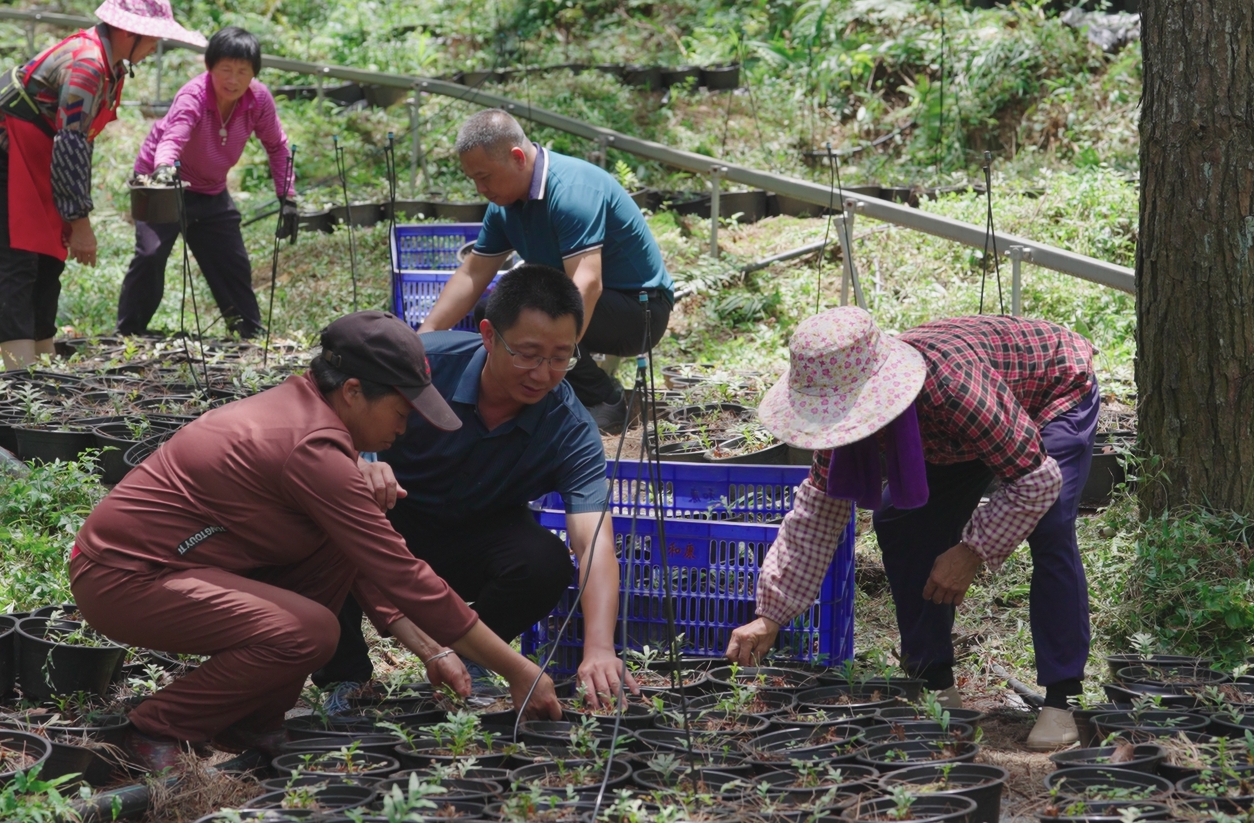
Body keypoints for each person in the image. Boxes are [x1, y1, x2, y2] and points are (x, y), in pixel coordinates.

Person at [70, 311, 563, 771]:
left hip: (188, 562)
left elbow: (364, 561)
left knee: (335, 549)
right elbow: (406, 576)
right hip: (124, 576)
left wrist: (431, 649)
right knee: (310, 632)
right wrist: (518, 670)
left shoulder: (311, 417)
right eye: (401, 409)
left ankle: (255, 722)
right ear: (352, 390)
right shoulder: (312, 449)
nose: (405, 425)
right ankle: (155, 728)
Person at [724, 307, 1099, 752]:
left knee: (1051, 527)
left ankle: (1063, 697)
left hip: (1049, 390)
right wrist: (771, 615)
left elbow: (1037, 480)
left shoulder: (952, 390)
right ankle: (935, 680)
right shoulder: (842, 420)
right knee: (901, 520)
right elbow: (816, 516)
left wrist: (971, 551)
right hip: (962, 429)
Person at [316, 265, 630, 704]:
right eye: (527, 353)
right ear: (488, 335)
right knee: (324, 521)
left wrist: (599, 647)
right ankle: (345, 678)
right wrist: (357, 461)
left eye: (561, 357)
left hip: (478, 535)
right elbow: (327, 413)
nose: (543, 373)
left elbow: (594, 541)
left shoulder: (569, 425)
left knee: (545, 561)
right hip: (388, 521)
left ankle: (474, 659)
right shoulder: (425, 365)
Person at [0, 0, 205, 369]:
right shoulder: (88, 66)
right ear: (128, 33)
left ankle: (43, 362)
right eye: (153, 37)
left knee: (47, 259)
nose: (156, 46)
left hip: (38, 157)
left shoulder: (111, 64)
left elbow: (74, 146)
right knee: (17, 259)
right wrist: (80, 223)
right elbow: (70, 146)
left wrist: (72, 218)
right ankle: (20, 379)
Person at [417, 110, 673, 433]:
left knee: (529, 320)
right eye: (473, 180)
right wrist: (421, 341)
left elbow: (588, 283)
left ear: (517, 158)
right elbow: (471, 275)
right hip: (589, 303)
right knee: (494, 313)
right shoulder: (503, 206)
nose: (480, 189)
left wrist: (550, 361)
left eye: (485, 177)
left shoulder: (570, 192)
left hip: (640, 310)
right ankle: (556, 385)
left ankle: (605, 399)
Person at [116, 27, 297, 339]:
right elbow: (174, 135)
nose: (234, 79)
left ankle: (248, 333)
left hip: (211, 188)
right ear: (210, 67)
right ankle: (129, 334)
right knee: (150, 255)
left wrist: (288, 197)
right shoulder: (194, 95)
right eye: (226, 69)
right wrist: (163, 169)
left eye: (243, 71)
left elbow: (277, 146)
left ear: (254, 73)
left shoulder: (259, 99)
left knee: (232, 262)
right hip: (163, 185)